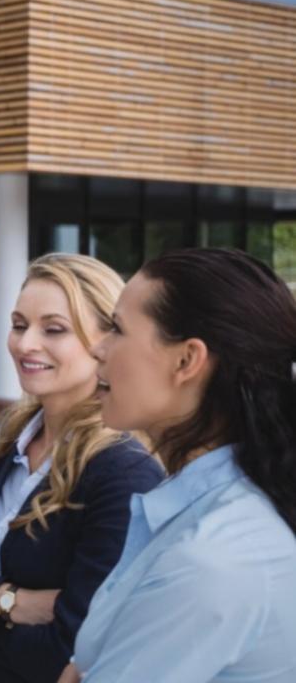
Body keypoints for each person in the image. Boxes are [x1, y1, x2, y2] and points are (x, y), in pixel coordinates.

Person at [0, 254, 163, 683]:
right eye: (19, 324)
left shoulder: (123, 473)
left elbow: (71, 650)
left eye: (54, 329)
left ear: (105, 341)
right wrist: (10, 602)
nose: (26, 344)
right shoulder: (6, 438)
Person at [59, 247, 296, 682]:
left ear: (187, 360)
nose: (97, 348)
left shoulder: (213, 562)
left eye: (116, 328)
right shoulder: (213, 511)